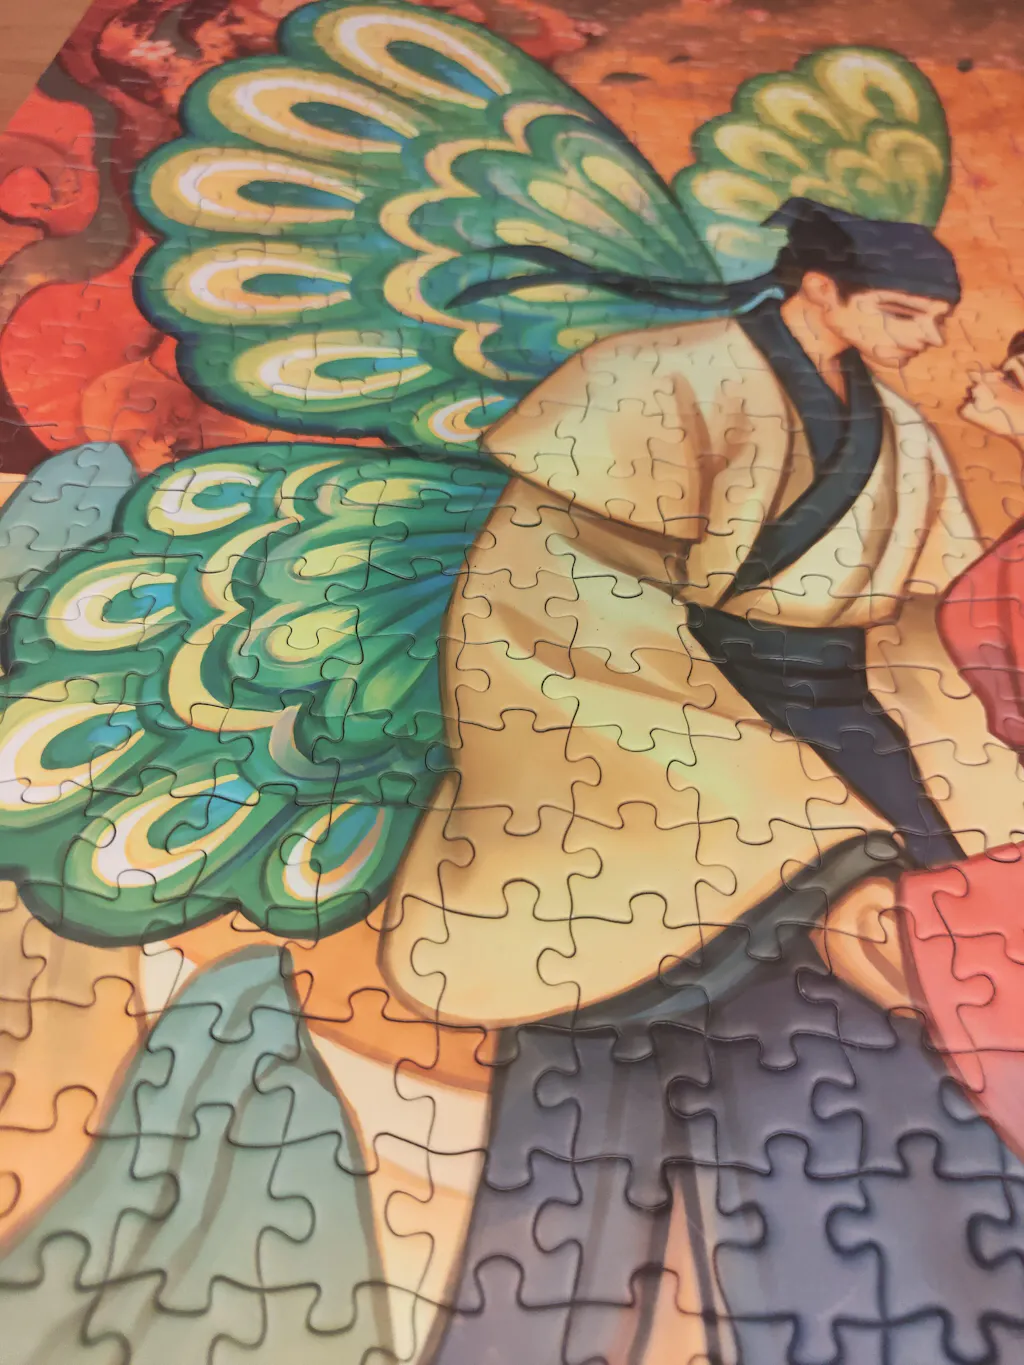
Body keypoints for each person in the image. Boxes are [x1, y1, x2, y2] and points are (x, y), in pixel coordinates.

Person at [391, 202, 1024, 1365]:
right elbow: (552, 632)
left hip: (848, 764)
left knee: (892, 1097)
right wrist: (813, 849)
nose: (926, 342)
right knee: (586, 1158)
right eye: (903, 314)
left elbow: (911, 644)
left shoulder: (892, 432)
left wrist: (944, 833)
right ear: (820, 289)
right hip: (638, 776)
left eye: (933, 321)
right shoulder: (650, 383)